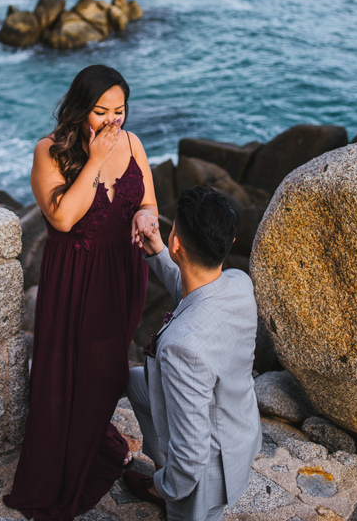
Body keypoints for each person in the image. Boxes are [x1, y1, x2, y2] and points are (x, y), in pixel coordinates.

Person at [3, 64, 158, 520]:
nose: (113, 121)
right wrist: (93, 160)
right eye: (102, 111)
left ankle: (93, 436)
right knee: (70, 371)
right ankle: (69, 456)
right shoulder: (48, 152)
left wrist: (145, 217)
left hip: (124, 273)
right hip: (75, 277)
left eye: (121, 111)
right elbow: (64, 218)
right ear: (79, 109)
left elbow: (147, 199)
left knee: (108, 374)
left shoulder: (132, 143)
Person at [123, 186, 261, 521]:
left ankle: (165, 490)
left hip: (207, 478)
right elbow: (195, 295)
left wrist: (165, 487)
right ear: (228, 243)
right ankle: (161, 463)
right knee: (134, 382)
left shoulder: (183, 347)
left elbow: (192, 455)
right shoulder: (239, 283)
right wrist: (156, 250)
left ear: (177, 243)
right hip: (240, 429)